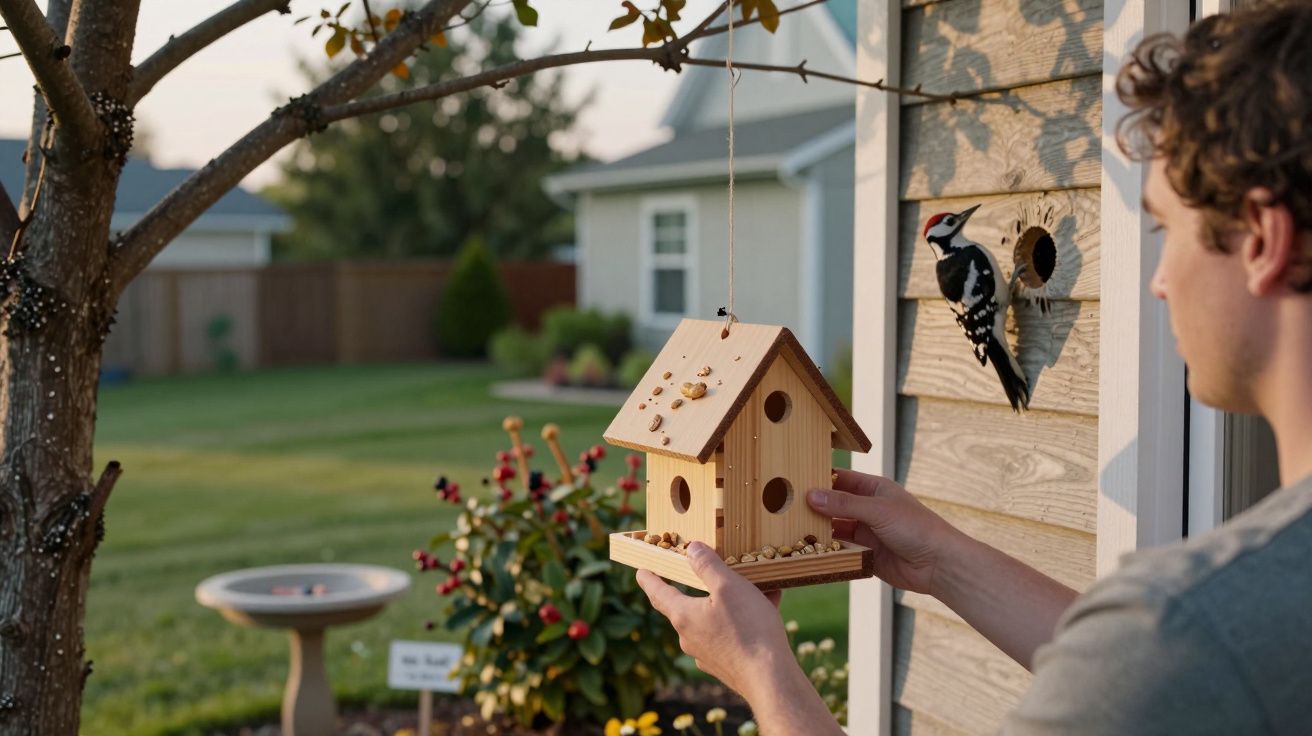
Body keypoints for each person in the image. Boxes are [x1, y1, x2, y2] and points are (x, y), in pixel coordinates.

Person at [636, 2, 1312, 733]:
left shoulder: (1188, 628)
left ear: (1262, 241)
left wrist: (762, 670)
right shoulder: (1211, 631)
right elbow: (1144, 672)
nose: (1159, 280)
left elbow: (1152, 666)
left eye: (1165, 227)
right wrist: (943, 561)